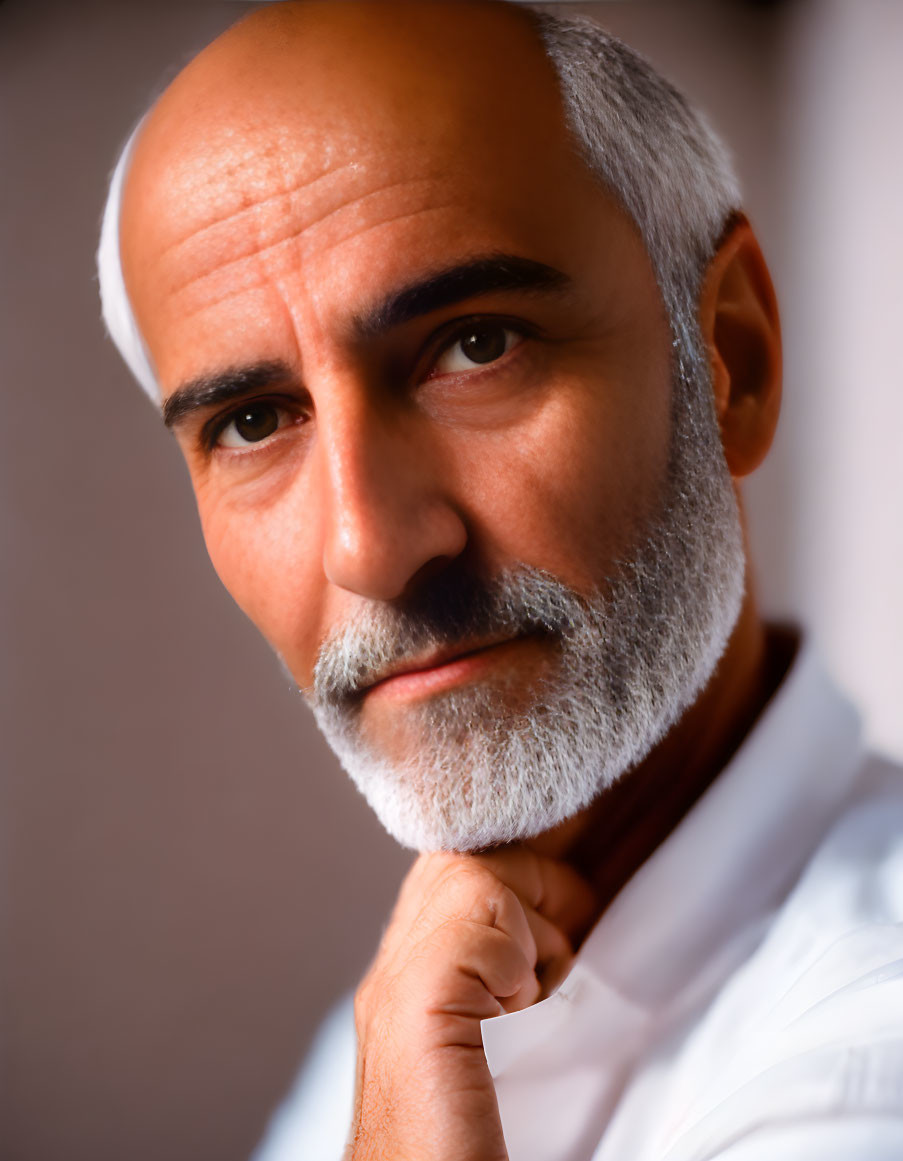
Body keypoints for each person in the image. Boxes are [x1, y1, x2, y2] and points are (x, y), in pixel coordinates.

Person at [97, 2, 903, 1159]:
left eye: (477, 345)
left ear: (732, 356)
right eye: (254, 420)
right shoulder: (392, 1030)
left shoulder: (868, 1065)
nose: (370, 547)